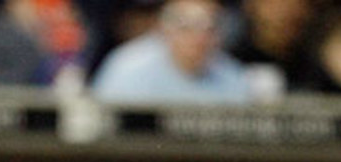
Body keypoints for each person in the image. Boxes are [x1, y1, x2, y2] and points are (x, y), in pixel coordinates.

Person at [90, 0, 252, 104]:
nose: (199, 38)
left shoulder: (232, 75)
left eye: (209, 28)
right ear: (164, 29)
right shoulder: (126, 67)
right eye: (186, 27)